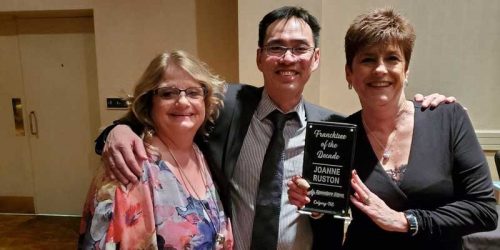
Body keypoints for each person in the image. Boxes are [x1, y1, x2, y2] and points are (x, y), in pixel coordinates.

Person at [95, 6, 454, 250]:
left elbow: (352, 195)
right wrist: (117, 130)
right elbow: (164, 109)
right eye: (276, 47)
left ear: (315, 59)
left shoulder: (336, 128)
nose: (287, 59)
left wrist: (427, 109)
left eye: (300, 49)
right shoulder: (226, 105)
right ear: (259, 56)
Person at [288, 8, 498, 249]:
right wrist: (314, 206)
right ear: (349, 73)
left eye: (392, 58)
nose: (380, 69)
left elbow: (484, 210)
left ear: (406, 70)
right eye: (368, 59)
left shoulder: (448, 118)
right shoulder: (338, 135)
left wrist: (405, 221)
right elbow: (329, 230)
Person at [79, 50, 233, 249]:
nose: (183, 102)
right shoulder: (129, 166)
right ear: (149, 102)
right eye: (168, 93)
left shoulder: (201, 153)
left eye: (194, 92)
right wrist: (117, 129)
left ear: (206, 100)